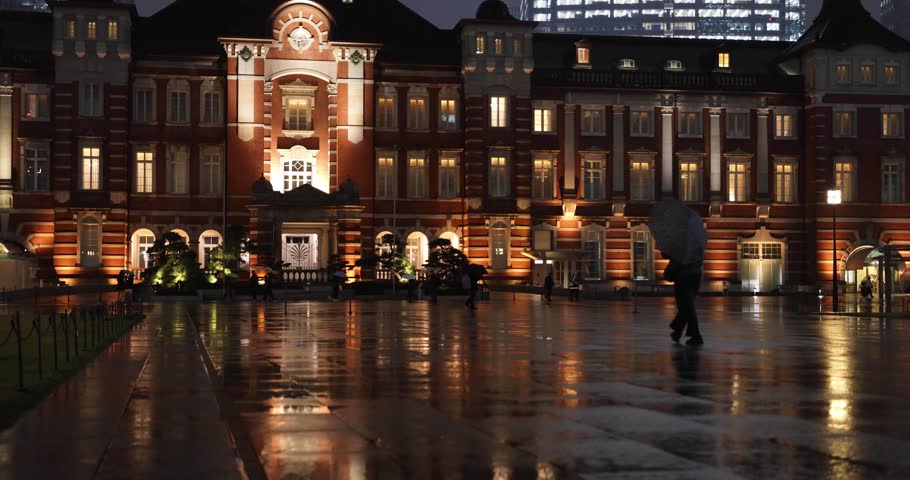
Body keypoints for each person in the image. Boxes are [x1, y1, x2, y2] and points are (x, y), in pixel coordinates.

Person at [665, 253, 704, 346]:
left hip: (683, 278)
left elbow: (675, 263)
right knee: (687, 306)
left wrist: (668, 271)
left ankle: (694, 335)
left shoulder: (681, 247)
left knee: (686, 307)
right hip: (696, 276)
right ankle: (679, 332)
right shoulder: (696, 244)